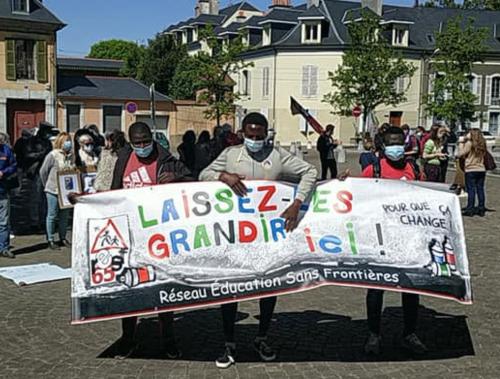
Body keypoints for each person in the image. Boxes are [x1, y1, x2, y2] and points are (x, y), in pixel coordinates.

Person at [199, 112, 317, 369]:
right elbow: (203, 174)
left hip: (266, 236)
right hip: (236, 236)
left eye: (259, 136)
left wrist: (297, 202)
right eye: (250, 136)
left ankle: (262, 337)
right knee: (231, 288)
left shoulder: (277, 156)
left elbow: (310, 171)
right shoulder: (231, 155)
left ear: (267, 135)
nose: (255, 140)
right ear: (242, 134)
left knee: (269, 286)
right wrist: (223, 177)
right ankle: (229, 343)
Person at [109, 122, 191, 359]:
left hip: (161, 236)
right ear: (131, 142)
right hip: (131, 235)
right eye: (138, 143)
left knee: (164, 286)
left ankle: (169, 338)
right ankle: (128, 338)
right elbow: (113, 192)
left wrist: (176, 178)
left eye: (147, 141)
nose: (143, 146)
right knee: (130, 286)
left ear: (153, 140)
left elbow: (194, 182)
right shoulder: (123, 160)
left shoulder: (167, 160)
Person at [361, 126, 427, 356]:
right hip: (379, 239)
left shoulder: (414, 169)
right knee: (376, 289)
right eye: (391, 143)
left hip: (408, 239)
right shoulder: (373, 169)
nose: (396, 147)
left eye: (400, 142)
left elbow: (427, 196)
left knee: (411, 288)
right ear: (383, 146)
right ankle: (373, 334)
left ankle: (409, 333)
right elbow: (358, 198)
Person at [39, 133, 74, 250]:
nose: (68, 143)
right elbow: (43, 171)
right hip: (53, 189)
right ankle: (50, 239)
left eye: (69, 140)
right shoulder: (52, 155)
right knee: (52, 215)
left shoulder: (71, 155)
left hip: (66, 190)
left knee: (64, 216)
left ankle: (63, 238)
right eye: (66, 141)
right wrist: (47, 184)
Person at [457, 129, 487, 217]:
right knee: (480, 189)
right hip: (481, 169)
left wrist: (461, 143)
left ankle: (470, 208)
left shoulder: (470, 144)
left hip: (471, 169)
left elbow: (460, 154)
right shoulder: (482, 144)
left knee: (471, 190)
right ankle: (481, 208)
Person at [0, 133, 17, 259]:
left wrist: (4, 172)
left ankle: (4, 248)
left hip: (3, 190)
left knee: (4, 222)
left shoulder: (6, 150)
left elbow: (14, 165)